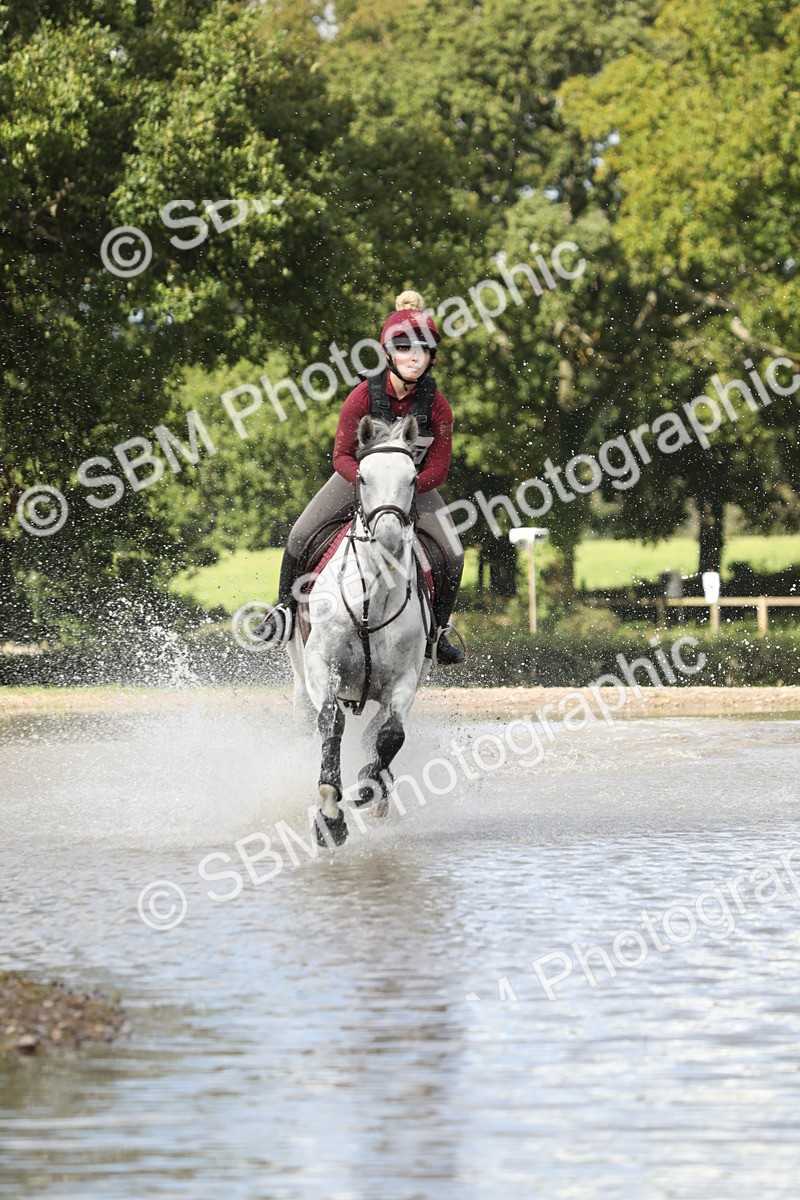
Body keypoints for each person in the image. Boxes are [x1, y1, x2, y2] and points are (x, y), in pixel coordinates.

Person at [256, 290, 465, 665]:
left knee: (453, 550)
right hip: (357, 478)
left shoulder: (438, 405)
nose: (413, 357)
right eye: (404, 349)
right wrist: (369, 482)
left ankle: (438, 633)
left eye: (422, 350)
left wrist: (407, 486)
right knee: (301, 534)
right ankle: (284, 612)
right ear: (389, 354)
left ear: (432, 357)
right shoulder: (362, 397)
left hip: (412, 486)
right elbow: (340, 456)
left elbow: (439, 467)